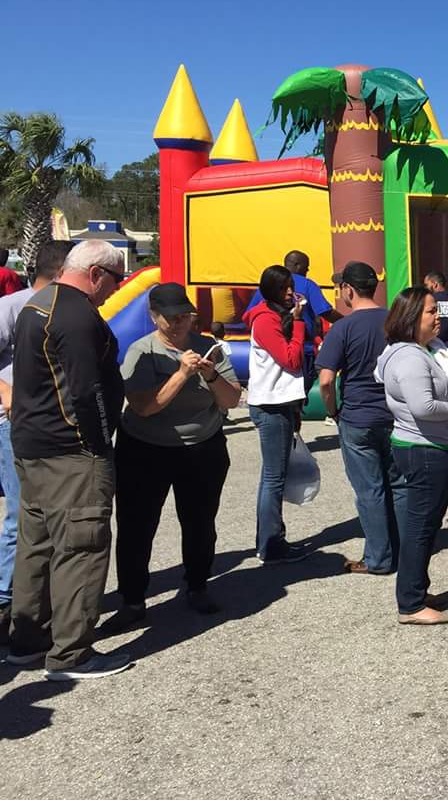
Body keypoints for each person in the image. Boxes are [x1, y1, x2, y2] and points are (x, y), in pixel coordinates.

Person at [5, 240, 129, 680]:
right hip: (71, 451)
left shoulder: (37, 304)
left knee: (37, 544)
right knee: (82, 545)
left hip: (32, 445)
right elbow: (85, 389)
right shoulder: (76, 315)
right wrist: (98, 443)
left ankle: (28, 639)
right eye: (115, 281)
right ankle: (71, 653)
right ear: (96, 274)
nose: (114, 291)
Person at [103, 284, 241, 632]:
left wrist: (209, 374)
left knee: (199, 522)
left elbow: (230, 401)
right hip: (145, 448)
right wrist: (181, 374)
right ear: (154, 317)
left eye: (185, 315)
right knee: (137, 526)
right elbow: (145, 407)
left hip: (201, 447)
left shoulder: (209, 347)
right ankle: (133, 601)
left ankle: (197, 586)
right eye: (171, 318)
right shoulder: (142, 351)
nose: (180, 323)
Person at [375, 287, 448, 626]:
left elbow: (420, 397)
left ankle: (415, 590)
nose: (439, 317)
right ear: (410, 317)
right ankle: (411, 603)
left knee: (425, 525)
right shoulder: (410, 357)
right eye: (431, 312)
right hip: (424, 450)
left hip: (424, 446)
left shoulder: (417, 352)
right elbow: (423, 407)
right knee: (421, 527)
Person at [0, 240, 73, 633]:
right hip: (14, 424)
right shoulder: (15, 306)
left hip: (50, 427)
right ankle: (6, 601)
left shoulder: (66, 308)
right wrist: (8, 394)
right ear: (62, 271)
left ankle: (39, 602)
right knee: (20, 515)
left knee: (46, 518)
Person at [318, 262, 398, 575]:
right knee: (396, 486)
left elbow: (326, 380)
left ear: (348, 290)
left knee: (370, 491)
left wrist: (332, 411)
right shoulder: (396, 322)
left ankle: (378, 558)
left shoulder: (343, 328)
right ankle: (400, 549)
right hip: (394, 416)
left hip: (357, 417)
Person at [244, 265, 309, 564]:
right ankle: (271, 545)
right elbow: (291, 359)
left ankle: (268, 541)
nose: (289, 293)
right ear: (269, 290)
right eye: (283, 288)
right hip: (270, 406)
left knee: (272, 477)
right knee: (274, 478)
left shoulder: (271, 317)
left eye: (290, 286)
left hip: (280, 403)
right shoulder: (266, 320)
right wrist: (297, 323)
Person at [246, 250, 341, 391]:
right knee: (299, 396)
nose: (307, 270)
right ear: (297, 265)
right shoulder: (308, 284)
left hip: (268, 354)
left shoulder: (267, 288)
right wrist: (347, 321)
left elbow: (249, 315)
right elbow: (325, 312)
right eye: (306, 267)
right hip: (302, 350)